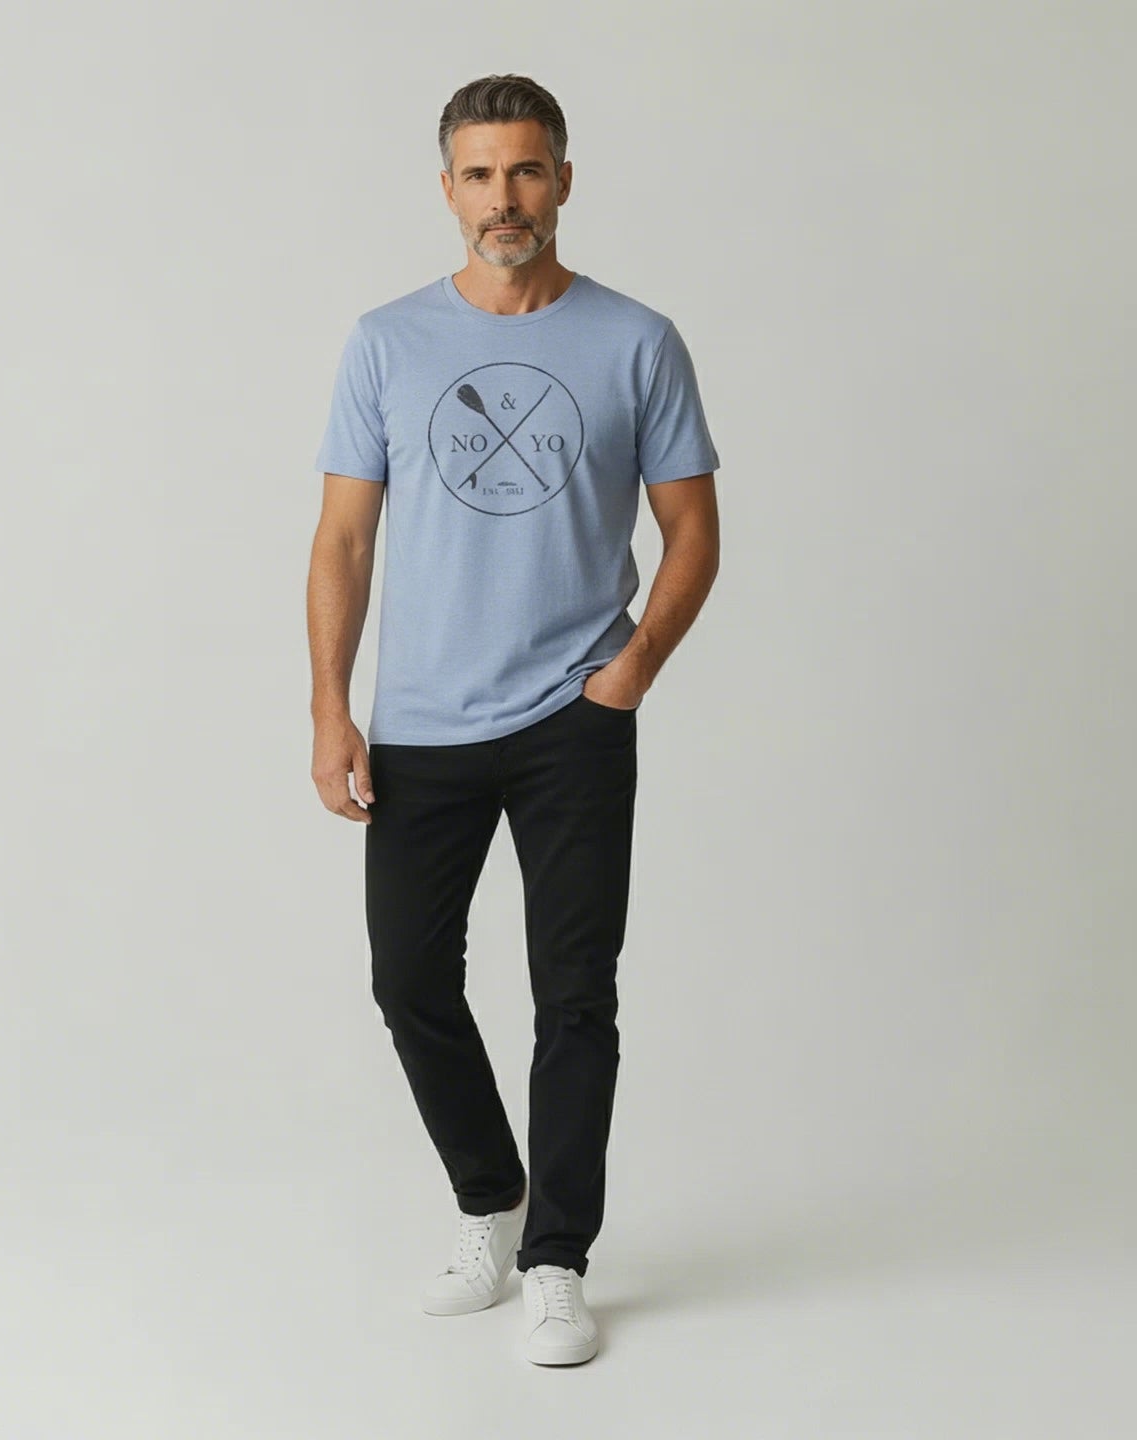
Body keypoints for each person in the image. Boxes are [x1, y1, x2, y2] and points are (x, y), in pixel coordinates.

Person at [306, 73, 721, 1366]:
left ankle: (557, 1261)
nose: (506, 198)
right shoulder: (386, 342)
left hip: (572, 719)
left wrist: (631, 670)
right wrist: (330, 708)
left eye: (527, 170)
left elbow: (694, 529)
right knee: (409, 980)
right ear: (448, 190)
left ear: (564, 181)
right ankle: (491, 1196)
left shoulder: (637, 340)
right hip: (422, 720)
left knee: (575, 997)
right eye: (481, 174)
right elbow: (343, 539)